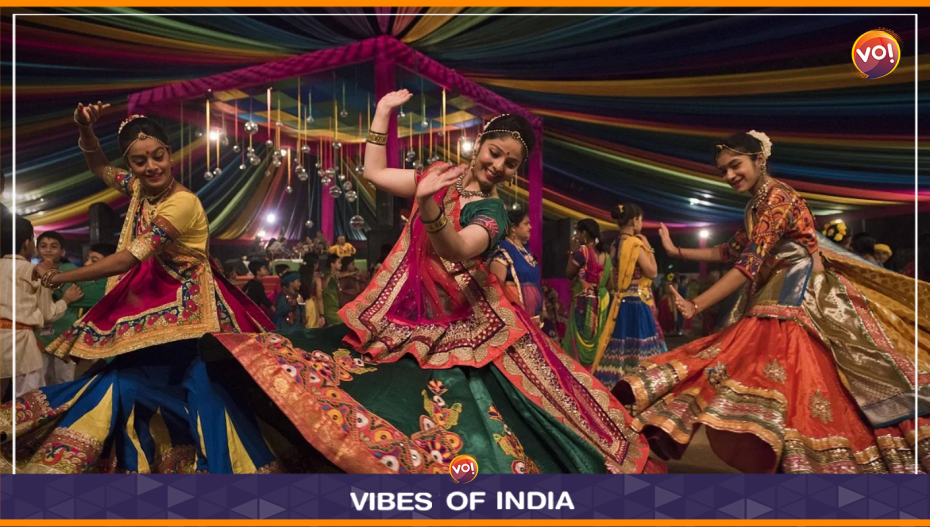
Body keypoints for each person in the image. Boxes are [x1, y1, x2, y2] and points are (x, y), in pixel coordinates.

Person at [201, 91, 653, 474]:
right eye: (495, 153)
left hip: (461, 327)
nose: (499, 165)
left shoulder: (492, 211)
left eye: (511, 163)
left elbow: (456, 248)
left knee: (471, 422)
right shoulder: (440, 175)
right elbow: (375, 173)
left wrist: (430, 205)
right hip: (404, 316)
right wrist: (382, 113)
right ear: (480, 144)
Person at [613, 131, 928, 473]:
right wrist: (677, 251)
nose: (730, 175)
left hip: (802, 291)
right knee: (774, 372)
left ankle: (815, 457)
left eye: (735, 165)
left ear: (759, 160)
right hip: (782, 288)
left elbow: (748, 263)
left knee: (787, 368)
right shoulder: (758, 203)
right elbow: (731, 250)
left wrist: (696, 304)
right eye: (723, 170)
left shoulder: (778, 199)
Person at [1, 106, 279, 474]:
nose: (151, 167)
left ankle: (229, 478)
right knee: (122, 385)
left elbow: (128, 259)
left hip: (195, 321)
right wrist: (85, 129)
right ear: (130, 166)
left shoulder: (182, 203)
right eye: (139, 161)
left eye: (157, 156)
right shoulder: (137, 188)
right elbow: (98, 165)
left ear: (169, 152)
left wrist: (61, 277)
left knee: (207, 395)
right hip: (155, 315)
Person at [1, 216, 84, 398]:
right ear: (28, 243)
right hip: (22, 343)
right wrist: (66, 300)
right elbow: (48, 314)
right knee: (30, 401)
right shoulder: (36, 271)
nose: (47, 250)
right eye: (40, 243)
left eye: (53, 246)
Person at [591, 203, 666, 389]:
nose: (641, 223)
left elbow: (613, 277)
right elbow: (653, 272)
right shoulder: (635, 244)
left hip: (618, 302)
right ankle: (640, 388)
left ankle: (615, 385)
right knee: (640, 348)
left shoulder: (614, 244)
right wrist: (649, 248)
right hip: (636, 303)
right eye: (640, 219)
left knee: (619, 346)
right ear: (634, 221)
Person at [561, 219, 612, 369]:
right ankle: (593, 371)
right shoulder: (606, 256)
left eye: (578, 232)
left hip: (583, 303)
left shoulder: (582, 253)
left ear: (584, 233)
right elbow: (610, 285)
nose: (577, 236)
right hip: (602, 303)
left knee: (579, 339)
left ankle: (577, 371)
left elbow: (569, 273)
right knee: (595, 338)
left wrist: (572, 251)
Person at [34, 231, 81, 384]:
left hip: (65, 335)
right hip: (39, 336)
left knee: (64, 380)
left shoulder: (71, 270)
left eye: (53, 246)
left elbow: (74, 293)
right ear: (37, 250)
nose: (48, 250)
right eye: (43, 246)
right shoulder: (31, 272)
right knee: (41, 380)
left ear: (62, 252)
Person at [489, 209, 543, 320]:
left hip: (534, 317)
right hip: (515, 317)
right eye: (526, 223)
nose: (530, 227)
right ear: (513, 227)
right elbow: (496, 291)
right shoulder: (503, 252)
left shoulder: (526, 252)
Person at [299, 254, 325, 328]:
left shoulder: (299, 276)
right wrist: (322, 315)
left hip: (300, 304)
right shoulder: (317, 279)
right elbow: (319, 297)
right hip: (312, 305)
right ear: (315, 265)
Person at [321, 254, 342, 326]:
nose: (341, 265)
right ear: (332, 264)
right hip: (329, 309)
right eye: (339, 262)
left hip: (335, 307)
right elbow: (323, 288)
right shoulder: (327, 276)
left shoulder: (335, 277)